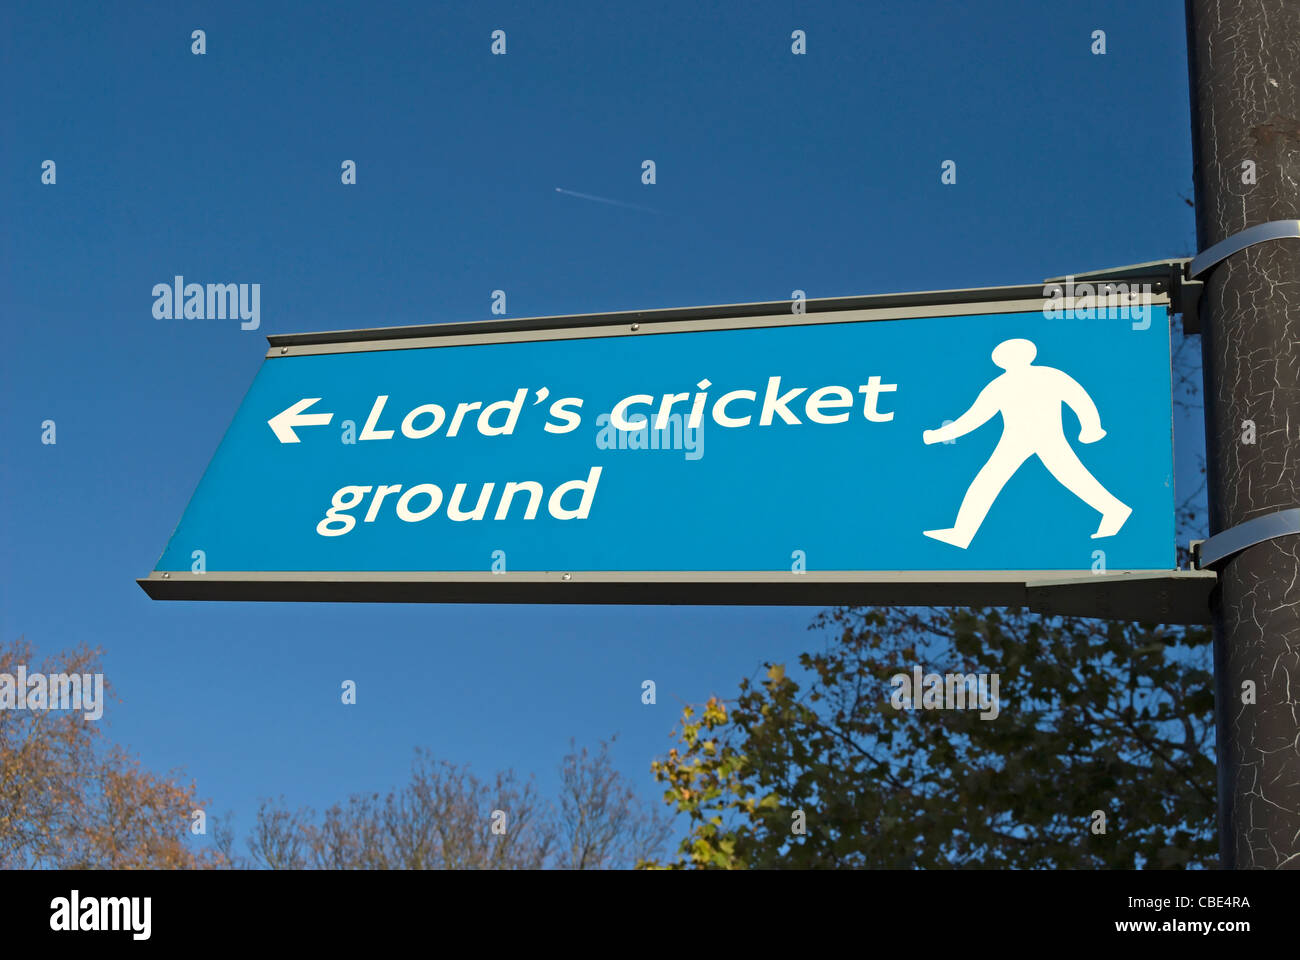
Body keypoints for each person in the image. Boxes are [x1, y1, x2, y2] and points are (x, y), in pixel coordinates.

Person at [922, 338, 1131, 549]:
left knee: (993, 482)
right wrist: (1090, 428)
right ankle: (961, 533)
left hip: (1039, 438)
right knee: (988, 482)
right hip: (1019, 439)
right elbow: (972, 419)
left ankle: (1115, 510)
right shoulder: (1025, 380)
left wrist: (1091, 428)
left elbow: (1079, 399)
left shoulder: (1024, 380)